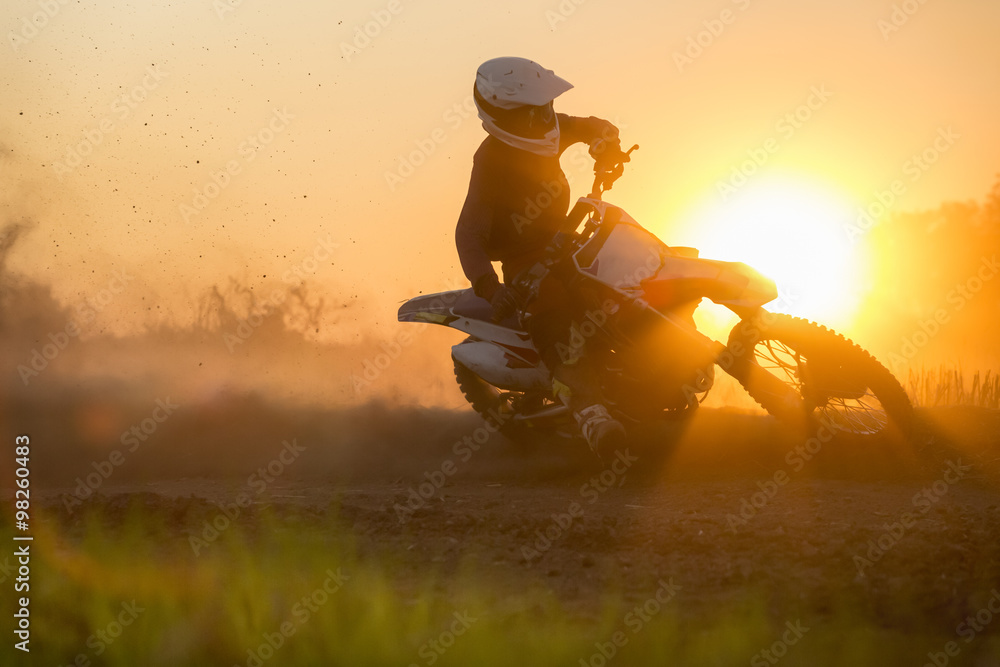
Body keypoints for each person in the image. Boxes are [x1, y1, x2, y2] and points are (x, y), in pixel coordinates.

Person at [454, 56, 626, 459]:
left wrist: (607, 145)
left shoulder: (548, 125)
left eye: (543, 107)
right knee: (558, 326)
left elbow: (593, 126)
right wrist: (490, 288)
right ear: (502, 114)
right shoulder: (492, 159)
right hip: (527, 264)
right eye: (530, 112)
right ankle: (592, 415)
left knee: (638, 269)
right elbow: (469, 235)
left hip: (573, 238)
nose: (541, 117)